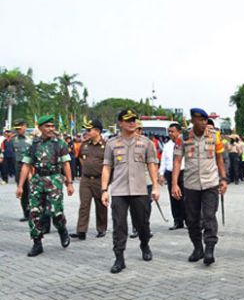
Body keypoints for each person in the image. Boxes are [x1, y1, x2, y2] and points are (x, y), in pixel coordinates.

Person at [101, 109, 159, 274]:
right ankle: (119, 257)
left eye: (134, 119)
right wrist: (104, 190)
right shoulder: (111, 144)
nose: (132, 122)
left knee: (142, 223)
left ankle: (144, 244)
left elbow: (152, 165)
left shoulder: (146, 143)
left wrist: (155, 186)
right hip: (119, 190)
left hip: (140, 189)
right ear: (120, 122)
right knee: (119, 225)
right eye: (128, 120)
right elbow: (106, 167)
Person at [172, 108, 228, 265]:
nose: (204, 123)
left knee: (209, 216)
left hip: (210, 183)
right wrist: (174, 183)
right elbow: (177, 161)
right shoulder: (183, 138)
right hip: (191, 185)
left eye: (205, 120)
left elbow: (220, 159)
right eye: (200, 120)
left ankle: (209, 248)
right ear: (193, 121)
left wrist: (223, 179)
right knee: (192, 219)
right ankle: (198, 248)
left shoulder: (214, 136)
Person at [16, 115, 74, 256]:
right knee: (34, 212)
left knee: (55, 211)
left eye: (52, 126)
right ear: (40, 128)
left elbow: (66, 164)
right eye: (47, 126)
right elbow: (26, 165)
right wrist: (20, 186)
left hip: (54, 179)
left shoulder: (59, 143)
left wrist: (69, 183)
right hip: (37, 180)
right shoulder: (33, 144)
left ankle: (62, 229)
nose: (50, 129)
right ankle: (37, 243)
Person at [71, 118, 108, 240]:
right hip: (86, 179)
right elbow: (81, 158)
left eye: (89, 130)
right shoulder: (85, 144)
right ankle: (81, 230)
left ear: (97, 131)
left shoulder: (106, 146)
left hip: (99, 180)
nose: (86, 132)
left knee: (101, 205)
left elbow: (109, 165)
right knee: (84, 205)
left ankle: (101, 228)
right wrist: (88, 168)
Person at [159, 123, 186, 230]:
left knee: (185, 198)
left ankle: (188, 220)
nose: (170, 133)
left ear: (179, 132)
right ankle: (177, 221)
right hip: (170, 174)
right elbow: (163, 161)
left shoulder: (185, 143)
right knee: (174, 198)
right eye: (169, 131)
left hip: (183, 173)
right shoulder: (167, 145)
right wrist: (161, 174)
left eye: (172, 131)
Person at [8, 119, 31, 221]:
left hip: (30, 166)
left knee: (32, 190)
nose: (18, 131)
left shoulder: (31, 139)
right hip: (19, 166)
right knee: (22, 190)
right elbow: (13, 151)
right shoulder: (13, 140)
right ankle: (26, 213)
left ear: (25, 126)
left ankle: (34, 213)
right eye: (16, 129)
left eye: (20, 128)